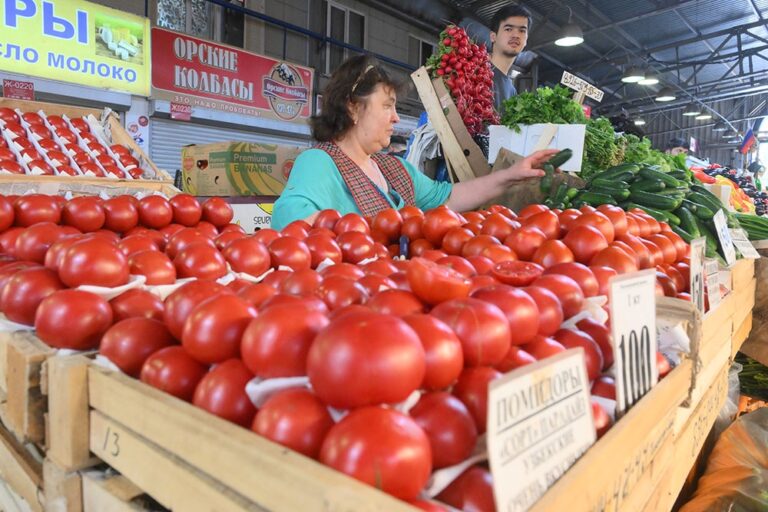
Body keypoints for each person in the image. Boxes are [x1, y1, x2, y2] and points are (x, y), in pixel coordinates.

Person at [271, 55, 557, 230]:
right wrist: (368, 231)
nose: (396, 117)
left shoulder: (393, 169)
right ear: (353, 108)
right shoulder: (319, 163)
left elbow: (449, 197)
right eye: (387, 106)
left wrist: (510, 175)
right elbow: (288, 222)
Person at [489, 4, 532, 114]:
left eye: (522, 31)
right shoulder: (475, 70)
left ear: (526, 40)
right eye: (508, 29)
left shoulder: (512, 92)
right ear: (493, 36)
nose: (516, 35)